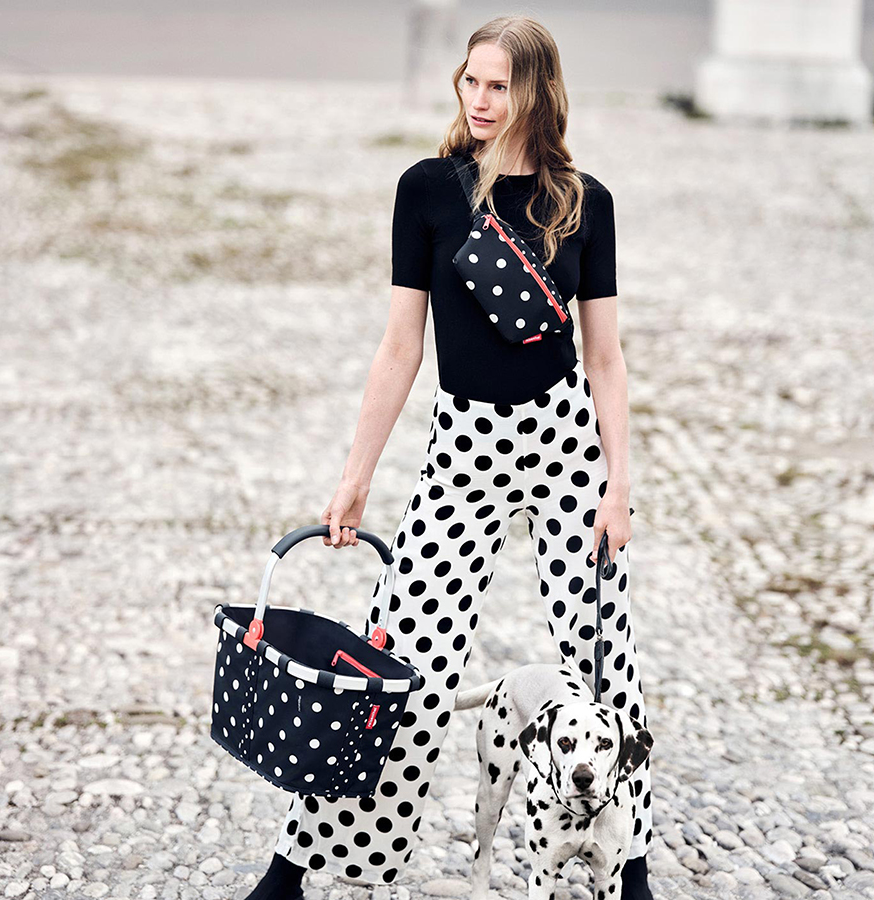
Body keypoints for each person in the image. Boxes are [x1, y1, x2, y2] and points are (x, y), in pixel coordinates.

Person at [242, 15, 654, 900]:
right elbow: (400, 347)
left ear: (536, 93)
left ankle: (630, 870)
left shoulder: (586, 204)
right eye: (472, 80)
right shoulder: (428, 191)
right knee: (400, 658)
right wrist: (354, 480)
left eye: (500, 85)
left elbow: (606, 359)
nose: (481, 99)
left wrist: (619, 485)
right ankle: (295, 867)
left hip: (565, 441)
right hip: (463, 445)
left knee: (601, 659)